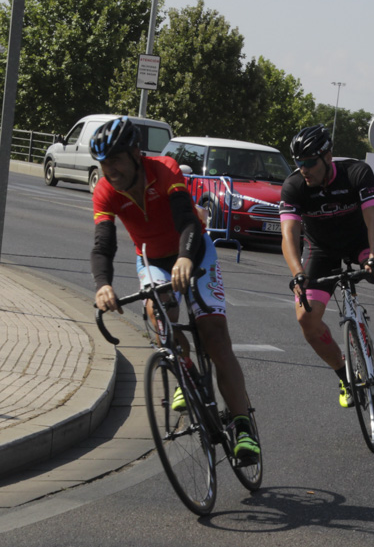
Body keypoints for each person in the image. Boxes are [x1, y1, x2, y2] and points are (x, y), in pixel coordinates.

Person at [89, 117, 260, 462]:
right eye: (104, 164)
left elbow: (186, 220)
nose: (111, 170)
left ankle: (243, 427)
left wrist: (184, 258)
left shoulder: (164, 170)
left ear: (136, 154)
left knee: (214, 334)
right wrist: (103, 284)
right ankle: (187, 375)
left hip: (194, 251)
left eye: (116, 160)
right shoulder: (105, 191)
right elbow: (102, 245)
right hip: (151, 259)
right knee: (159, 313)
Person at [278, 124, 374, 408]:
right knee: (305, 317)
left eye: (310, 162)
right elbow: (289, 235)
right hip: (321, 249)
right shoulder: (294, 186)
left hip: (360, 242)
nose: (304, 169)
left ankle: (362, 331)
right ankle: (345, 374)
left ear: (328, 157)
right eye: (298, 163)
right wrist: (298, 274)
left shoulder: (357, 173)